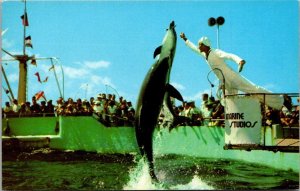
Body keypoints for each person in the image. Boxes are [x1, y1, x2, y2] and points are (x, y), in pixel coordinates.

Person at [180, 33, 283, 110]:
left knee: (252, 89)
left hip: (232, 77)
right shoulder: (204, 54)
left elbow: (229, 55)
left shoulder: (215, 52)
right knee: (228, 101)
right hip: (224, 82)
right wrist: (185, 39)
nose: (198, 46)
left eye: (200, 44)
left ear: (205, 45)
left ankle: (280, 101)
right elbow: (194, 48)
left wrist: (239, 61)